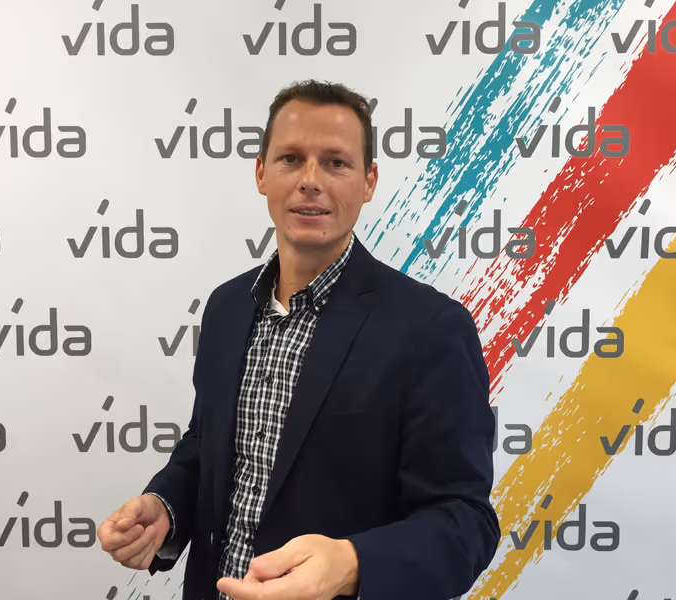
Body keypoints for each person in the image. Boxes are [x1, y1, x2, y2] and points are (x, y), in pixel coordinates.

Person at [96, 79, 500, 600]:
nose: (311, 181)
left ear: (369, 180)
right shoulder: (226, 307)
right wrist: (166, 508)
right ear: (261, 173)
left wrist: (352, 564)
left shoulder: (432, 328)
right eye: (290, 159)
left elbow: (465, 522)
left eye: (336, 163)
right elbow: (208, 447)